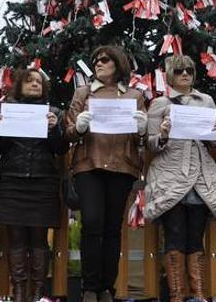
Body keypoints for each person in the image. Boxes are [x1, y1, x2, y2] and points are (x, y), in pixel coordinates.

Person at [65, 45, 147, 302]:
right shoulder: (83, 92)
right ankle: (89, 287)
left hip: (122, 166)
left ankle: (106, 289)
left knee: (112, 228)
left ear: (119, 64)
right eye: (96, 60)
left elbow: (140, 137)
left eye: (105, 60)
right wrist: (77, 127)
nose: (98, 63)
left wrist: (142, 129)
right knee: (91, 223)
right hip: (89, 164)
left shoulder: (134, 95)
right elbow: (68, 130)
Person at [143, 55, 216, 302]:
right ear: (170, 75)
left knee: (196, 238)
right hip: (171, 175)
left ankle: (199, 295)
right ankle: (177, 296)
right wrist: (163, 134)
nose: (184, 74)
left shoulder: (207, 101)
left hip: (201, 176)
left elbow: (215, 142)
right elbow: (150, 143)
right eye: (179, 71)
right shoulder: (160, 104)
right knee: (175, 235)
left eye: (189, 70)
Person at [0, 68, 67, 302]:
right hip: (13, 181)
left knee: (38, 239)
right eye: (29, 81)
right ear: (19, 85)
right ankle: (19, 292)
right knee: (16, 239)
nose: (35, 84)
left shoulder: (53, 112)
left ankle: (37, 293)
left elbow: (60, 149)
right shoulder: (6, 111)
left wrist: (55, 130)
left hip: (42, 182)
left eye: (39, 81)